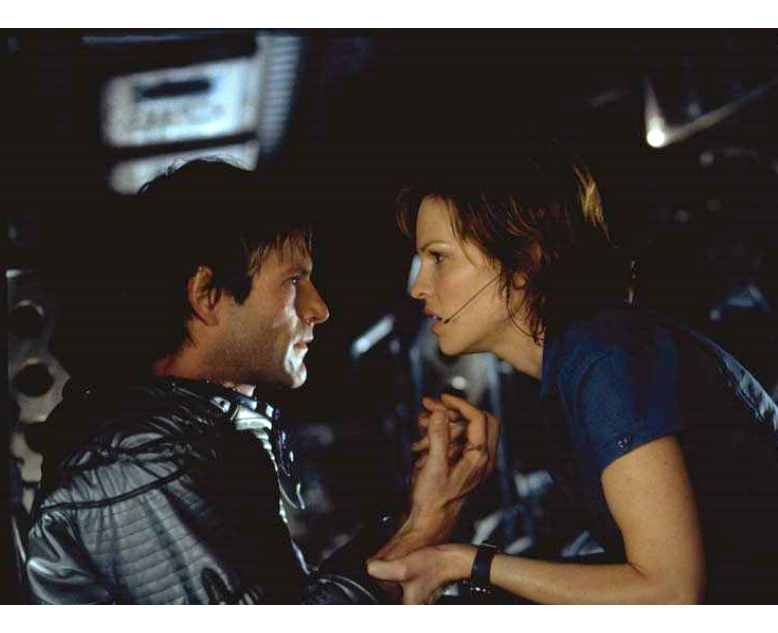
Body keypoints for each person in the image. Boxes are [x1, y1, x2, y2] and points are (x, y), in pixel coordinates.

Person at [367, 145, 778, 604]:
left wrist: (466, 563)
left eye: (438, 257)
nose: (419, 287)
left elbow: (669, 590)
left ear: (523, 261)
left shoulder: (605, 358)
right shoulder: (575, 366)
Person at [24, 159, 496, 604]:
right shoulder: (143, 466)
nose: (319, 309)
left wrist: (414, 515)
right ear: (207, 295)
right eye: (294, 281)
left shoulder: (182, 444)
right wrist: (426, 526)